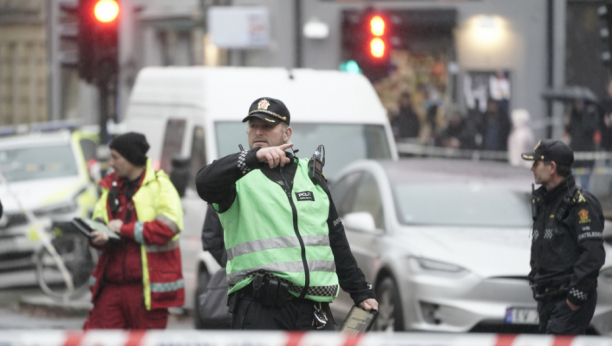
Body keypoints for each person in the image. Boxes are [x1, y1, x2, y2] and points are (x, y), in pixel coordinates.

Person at [195, 97, 378, 330]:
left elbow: (336, 240)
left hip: (314, 312)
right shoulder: (236, 178)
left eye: (267, 126)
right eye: (253, 126)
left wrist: (360, 291)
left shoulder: (311, 176)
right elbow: (203, 182)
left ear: (287, 133)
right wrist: (253, 158)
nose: (258, 132)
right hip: (262, 309)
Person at [83, 132, 185, 329]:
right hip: (111, 286)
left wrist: (124, 229)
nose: (111, 163)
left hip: (147, 289)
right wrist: (97, 236)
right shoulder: (109, 186)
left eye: (115, 157)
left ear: (131, 158)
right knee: (97, 340)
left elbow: (169, 226)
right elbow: (98, 218)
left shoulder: (160, 185)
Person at [522, 140, 605, 335]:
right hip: (546, 299)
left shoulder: (581, 204)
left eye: (537, 163)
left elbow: (593, 255)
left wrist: (574, 299)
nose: (532, 168)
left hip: (567, 301)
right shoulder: (544, 201)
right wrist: (535, 280)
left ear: (552, 167)